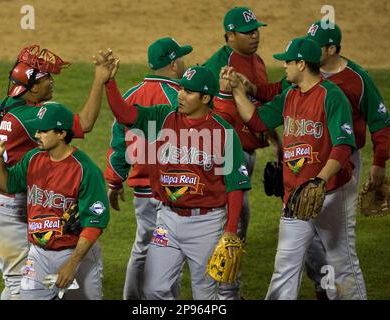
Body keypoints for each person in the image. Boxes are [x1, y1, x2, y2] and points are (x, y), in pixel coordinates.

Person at [247, 21, 390, 299]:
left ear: (332, 49)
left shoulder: (354, 80)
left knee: (339, 253)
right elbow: (276, 93)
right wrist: (247, 88)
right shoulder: (298, 84)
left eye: (318, 45)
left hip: (340, 166)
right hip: (302, 171)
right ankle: (322, 286)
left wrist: (380, 163)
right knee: (293, 254)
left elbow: (377, 125)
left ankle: (335, 289)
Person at [101, 50, 250, 299]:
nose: (180, 95)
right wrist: (109, 82)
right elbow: (125, 115)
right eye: (181, 88)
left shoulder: (223, 133)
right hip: (166, 221)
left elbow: (236, 186)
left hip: (207, 223)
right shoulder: (163, 117)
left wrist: (231, 230)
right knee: (153, 289)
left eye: (188, 91)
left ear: (205, 97)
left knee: (205, 295)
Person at [227, 37, 367, 299]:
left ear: (302, 64)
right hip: (294, 196)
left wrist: (320, 180)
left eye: (287, 62)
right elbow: (258, 120)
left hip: (333, 192)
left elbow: (344, 145)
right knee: (285, 267)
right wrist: (237, 90)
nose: (283, 67)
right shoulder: (290, 95)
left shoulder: (332, 96)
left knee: (342, 263)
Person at [0, 44, 111, 299]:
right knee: (21, 283)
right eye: (45, 78)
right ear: (32, 87)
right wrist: (99, 80)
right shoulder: (31, 116)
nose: (52, 82)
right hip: (10, 203)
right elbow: (84, 123)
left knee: (16, 280)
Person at [203, 6, 282, 300]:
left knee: (237, 226)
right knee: (228, 227)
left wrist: (276, 140)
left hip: (248, 154)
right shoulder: (217, 67)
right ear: (230, 35)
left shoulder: (256, 61)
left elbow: (257, 104)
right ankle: (224, 295)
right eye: (247, 32)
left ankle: (227, 291)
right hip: (224, 159)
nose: (255, 36)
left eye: (256, 30)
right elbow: (198, 110)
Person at [104, 37, 192, 300]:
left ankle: (132, 299)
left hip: (142, 190)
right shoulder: (180, 98)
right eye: (182, 58)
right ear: (174, 64)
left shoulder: (130, 95)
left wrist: (114, 181)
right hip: (172, 189)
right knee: (173, 248)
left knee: (143, 246)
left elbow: (119, 144)